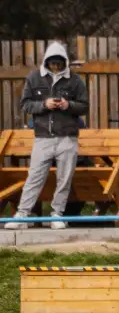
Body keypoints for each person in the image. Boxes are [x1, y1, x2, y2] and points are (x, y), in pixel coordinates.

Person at [5, 43, 89, 231]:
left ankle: (57, 214)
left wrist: (68, 105)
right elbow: (25, 104)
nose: (56, 67)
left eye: (59, 64)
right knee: (34, 176)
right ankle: (23, 214)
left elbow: (84, 106)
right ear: (47, 62)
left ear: (64, 62)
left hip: (67, 137)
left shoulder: (75, 81)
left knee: (64, 178)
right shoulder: (34, 78)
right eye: (53, 64)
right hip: (43, 137)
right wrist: (44, 104)